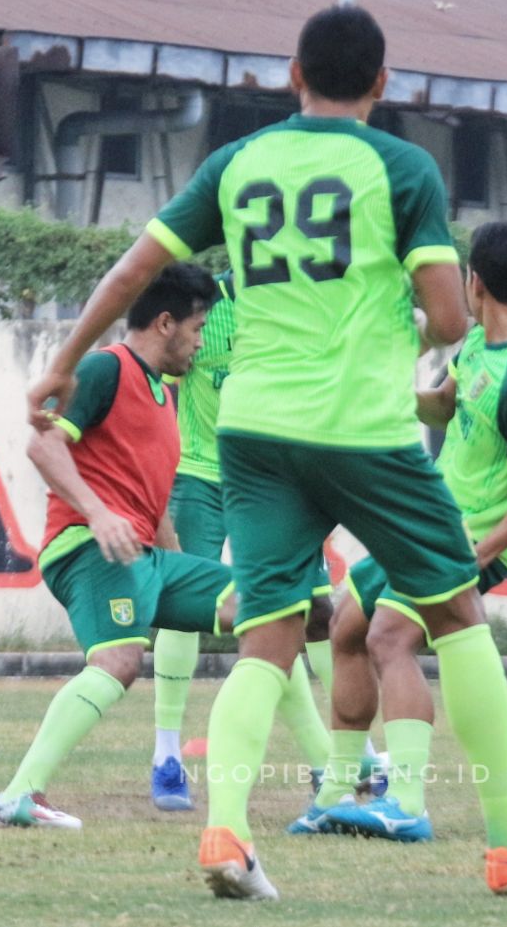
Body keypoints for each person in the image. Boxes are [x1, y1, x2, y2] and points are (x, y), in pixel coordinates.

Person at [27, 5, 507, 900]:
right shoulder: (401, 166)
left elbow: (137, 269)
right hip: (361, 431)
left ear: (292, 74)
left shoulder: (235, 163)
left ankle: (225, 835)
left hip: (255, 436)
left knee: (267, 635)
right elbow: (452, 318)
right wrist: (394, 318)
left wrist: (64, 361)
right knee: (456, 618)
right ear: (382, 83)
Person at [299, 221, 507, 844]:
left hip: (466, 543)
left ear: (474, 283)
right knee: (346, 626)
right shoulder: (480, 344)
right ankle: (339, 791)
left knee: (390, 637)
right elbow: (446, 405)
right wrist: (387, 391)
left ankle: (407, 800)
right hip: (425, 522)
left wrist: (482, 553)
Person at [0, 264, 232, 829]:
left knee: (274, 609)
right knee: (120, 660)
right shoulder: (104, 369)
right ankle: (19, 794)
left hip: (144, 558)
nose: (201, 342)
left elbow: (152, 503)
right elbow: (43, 448)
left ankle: (338, 772)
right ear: (166, 323)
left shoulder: (163, 394)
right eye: (197, 329)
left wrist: (178, 564)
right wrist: (98, 516)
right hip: (85, 548)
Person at [152, 272, 336, 812]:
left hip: (274, 481)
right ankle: (166, 756)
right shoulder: (203, 307)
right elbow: (159, 375)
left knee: (314, 610)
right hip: (199, 477)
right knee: (183, 608)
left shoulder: (305, 304)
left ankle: (348, 755)